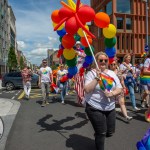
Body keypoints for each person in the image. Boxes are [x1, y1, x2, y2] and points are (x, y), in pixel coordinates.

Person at [84, 52, 122, 150]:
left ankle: (98, 134)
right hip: (94, 107)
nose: (103, 62)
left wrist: (112, 94)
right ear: (96, 61)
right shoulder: (91, 73)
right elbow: (87, 89)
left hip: (110, 106)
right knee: (101, 132)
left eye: (105, 60)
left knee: (110, 131)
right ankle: (99, 136)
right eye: (101, 60)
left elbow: (119, 88)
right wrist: (97, 78)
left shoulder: (112, 73)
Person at [74, 41, 86, 105]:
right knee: (76, 86)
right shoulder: (74, 52)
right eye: (77, 45)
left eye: (79, 44)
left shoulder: (82, 52)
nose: (78, 45)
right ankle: (81, 99)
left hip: (82, 71)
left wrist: (78, 53)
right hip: (76, 71)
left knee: (82, 86)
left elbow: (85, 56)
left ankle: (81, 100)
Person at [140, 53, 150, 122]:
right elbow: (145, 71)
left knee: (148, 93)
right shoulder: (148, 60)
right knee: (147, 92)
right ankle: (148, 112)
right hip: (146, 79)